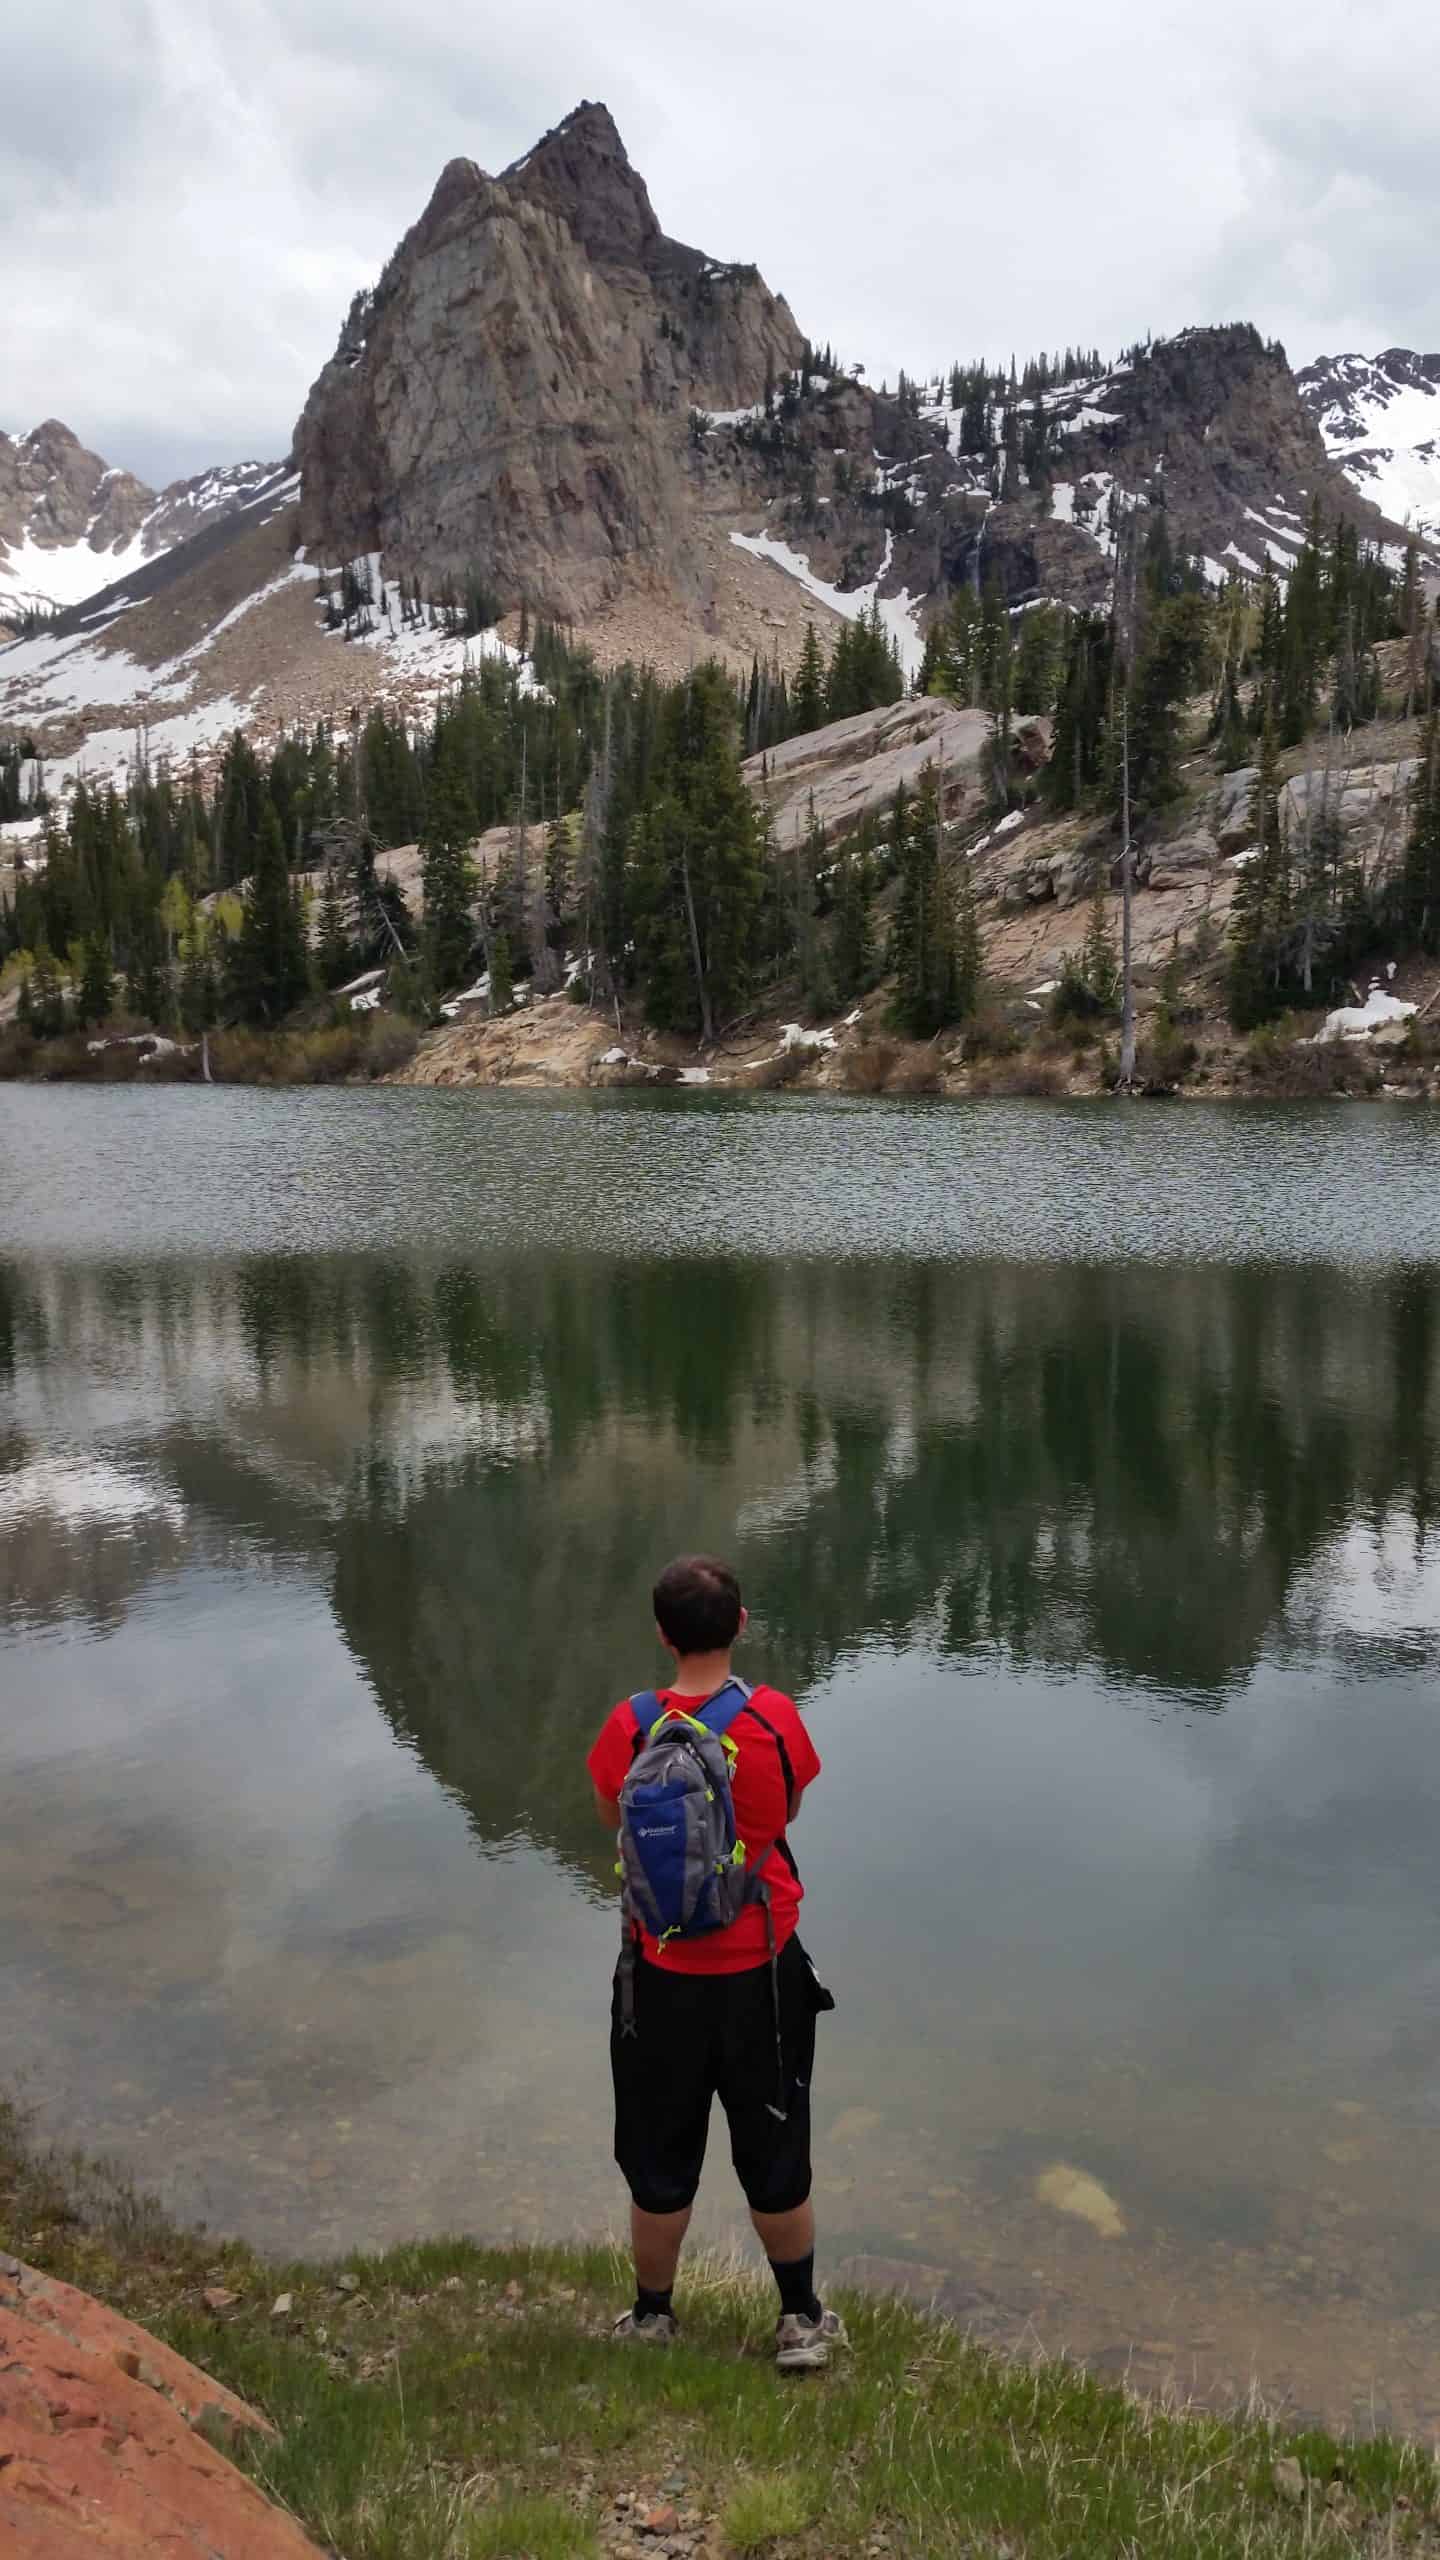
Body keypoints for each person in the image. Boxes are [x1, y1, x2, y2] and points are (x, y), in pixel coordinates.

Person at [587, 1553, 844, 2373]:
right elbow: (787, 1810)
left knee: (659, 2152)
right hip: (761, 1974)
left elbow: (614, 1824)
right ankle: (800, 2321)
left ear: (662, 1635)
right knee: (775, 2148)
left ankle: (655, 2317)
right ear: (740, 1624)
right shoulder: (771, 1719)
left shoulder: (628, 1726)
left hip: (656, 1979)